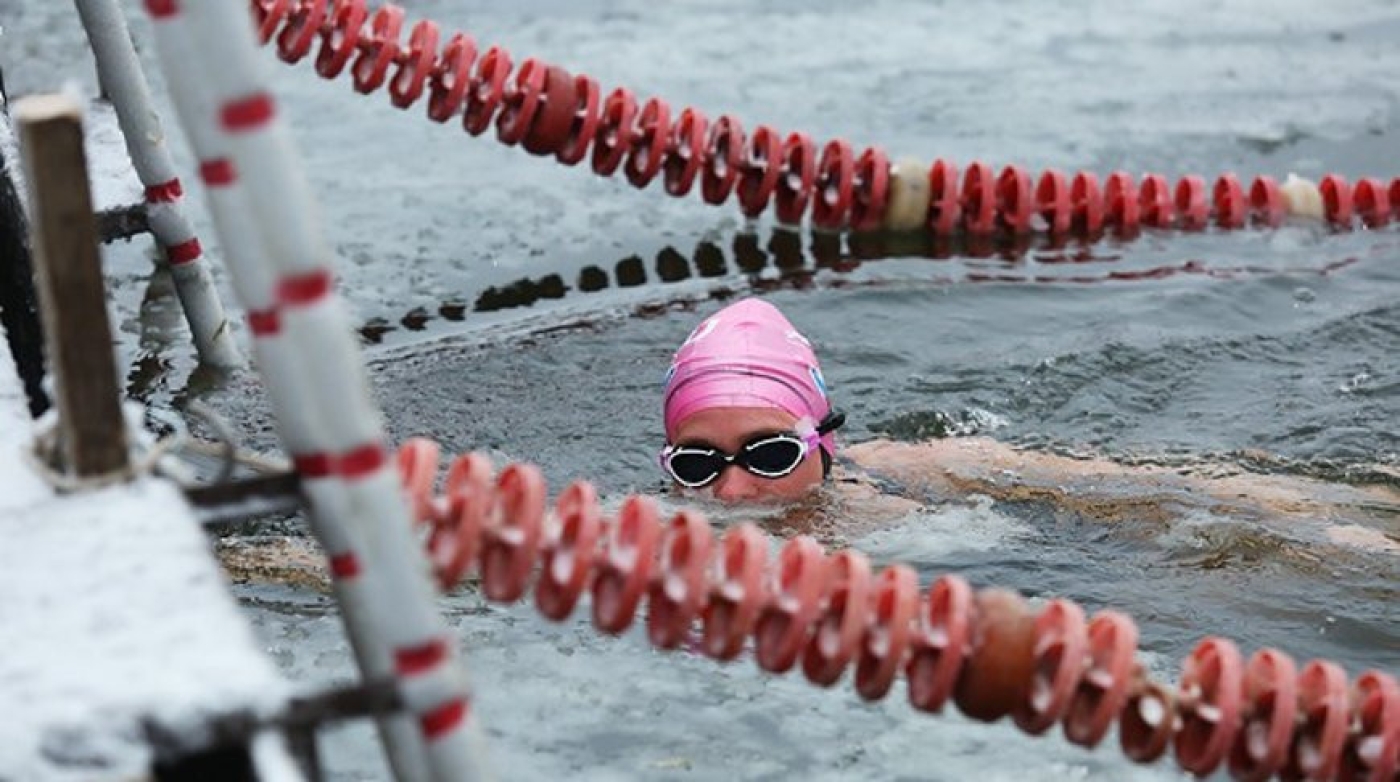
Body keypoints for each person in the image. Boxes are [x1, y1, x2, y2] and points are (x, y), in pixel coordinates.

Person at [660, 297, 1399, 554]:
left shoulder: (911, 472)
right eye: (696, 464)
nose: (731, 491)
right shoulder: (649, 529)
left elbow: (1146, 486)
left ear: (825, 440)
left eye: (769, 452)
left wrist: (1325, 516)